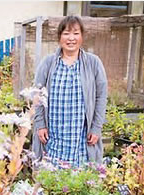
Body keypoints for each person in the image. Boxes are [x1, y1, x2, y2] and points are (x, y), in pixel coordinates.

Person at [32, 15, 108, 168]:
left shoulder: (93, 63)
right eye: (66, 33)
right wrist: (40, 124)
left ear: (82, 37)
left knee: (79, 180)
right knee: (49, 177)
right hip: (53, 135)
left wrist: (96, 127)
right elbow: (37, 95)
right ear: (59, 37)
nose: (71, 38)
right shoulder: (48, 63)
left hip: (80, 136)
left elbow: (101, 96)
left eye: (76, 33)